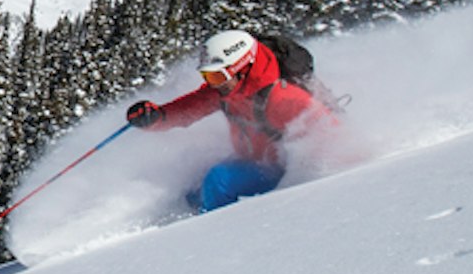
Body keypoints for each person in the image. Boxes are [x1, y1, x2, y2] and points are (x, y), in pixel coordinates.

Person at [124, 30, 334, 213]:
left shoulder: (283, 98)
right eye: (207, 76)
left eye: (216, 76)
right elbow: (190, 108)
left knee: (218, 181)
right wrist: (157, 117)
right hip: (252, 160)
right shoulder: (228, 89)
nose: (212, 84)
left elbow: (332, 133)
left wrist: (301, 180)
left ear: (242, 69)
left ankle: (213, 232)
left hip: (278, 170)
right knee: (193, 191)